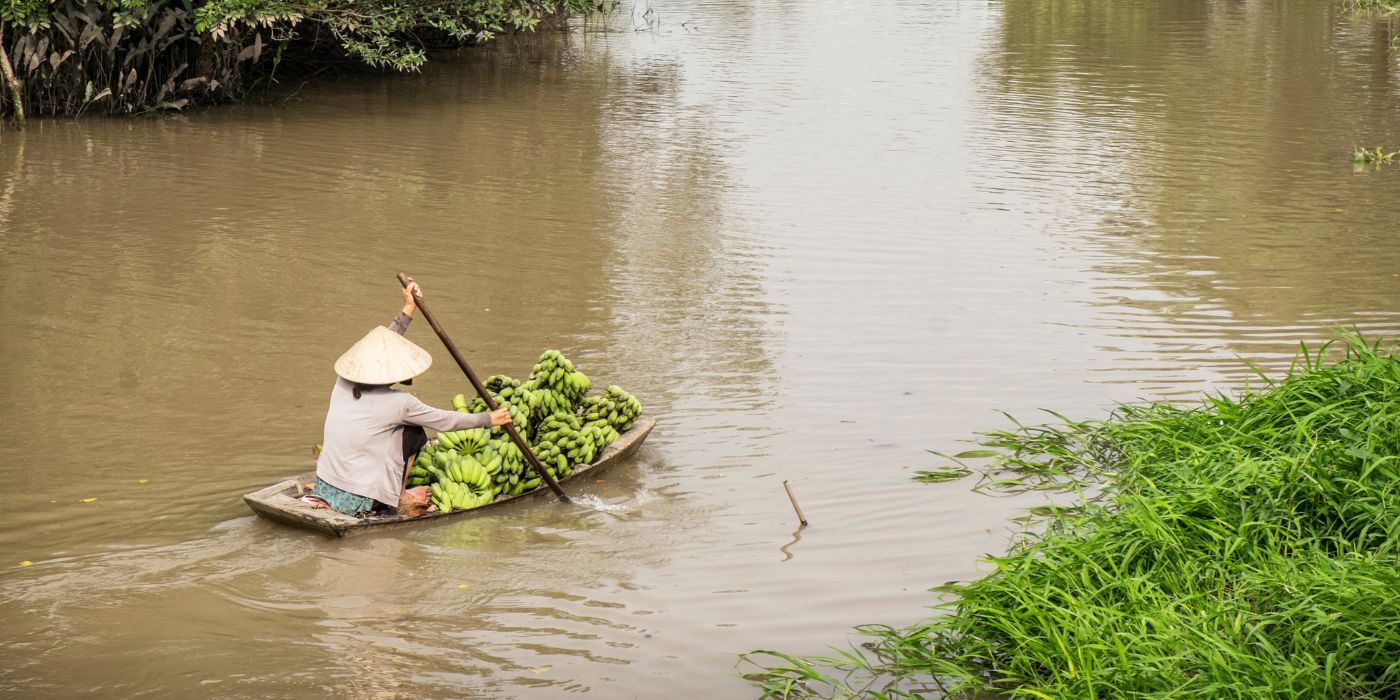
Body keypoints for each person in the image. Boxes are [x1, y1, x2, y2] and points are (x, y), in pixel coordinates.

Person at [306, 277, 511, 517]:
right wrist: (488, 419)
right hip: (359, 499)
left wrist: (408, 308)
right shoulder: (401, 404)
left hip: (324, 485)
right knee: (414, 433)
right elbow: (445, 421)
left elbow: (381, 348)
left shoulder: (341, 383)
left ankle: (386, 490)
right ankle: (395, 496)